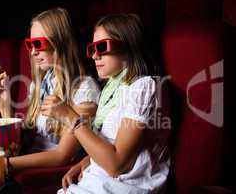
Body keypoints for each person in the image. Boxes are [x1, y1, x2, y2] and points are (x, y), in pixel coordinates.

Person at [0, 8, 100, 194]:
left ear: (60, 43)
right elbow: (20, 146)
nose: (33, 52)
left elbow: (63, 156)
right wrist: (4, 106)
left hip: (38, 176)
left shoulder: (85, 88)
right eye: (30, 45)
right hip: (17, 165)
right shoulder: (40, 84)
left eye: (38, 43)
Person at [40, 13, 171, 194]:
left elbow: (116, 164)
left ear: (128, 46)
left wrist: (70, 117)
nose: (94, 56)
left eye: (101, 47)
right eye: (91, 49)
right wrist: (85, 162)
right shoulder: (111, 87)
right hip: (98, 181)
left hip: (126, 187)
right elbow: (109, 143)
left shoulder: (144, 87)